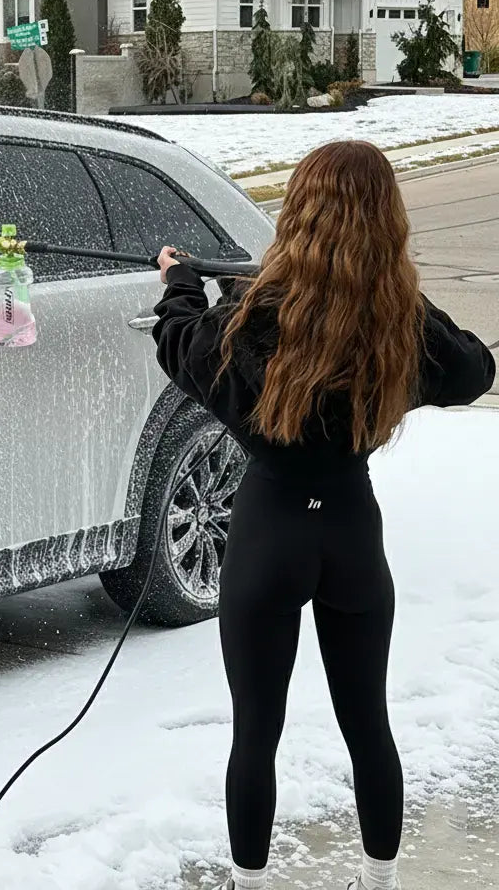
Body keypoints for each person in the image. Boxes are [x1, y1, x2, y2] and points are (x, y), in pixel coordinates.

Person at [150, 141, 495, 890]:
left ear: (296, 214)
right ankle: (380, 882)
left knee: (256, 735)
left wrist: (181, 284)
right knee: (368, 724)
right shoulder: (397, 322)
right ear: (386, 223)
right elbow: (474, 368)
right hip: (350, 538)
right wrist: (395, 293)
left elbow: (179, 344)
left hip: (267, 536)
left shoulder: (249, 318)